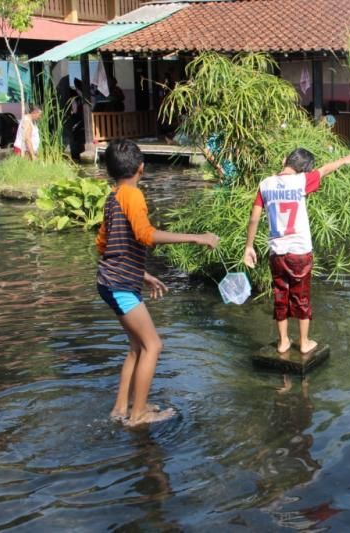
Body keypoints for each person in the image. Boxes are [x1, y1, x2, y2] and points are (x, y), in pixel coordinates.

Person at [95, 139, 219, 426]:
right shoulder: (133, 196)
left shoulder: (113, 197)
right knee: (154, 346)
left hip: (111, 281)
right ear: (141, 167)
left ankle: (121, 407)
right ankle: (137, 415)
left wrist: (143, 273)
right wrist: (196, 237)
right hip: (120, 285)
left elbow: (105, 245)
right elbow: (146, 235)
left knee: (137, 347)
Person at [243, 149, 350, 354]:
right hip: (300, 252)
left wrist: (249, 247)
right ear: (304, 168)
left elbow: (254, 218)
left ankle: (283, 342)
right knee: (301, 296)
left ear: (285, 160)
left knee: (281, 295)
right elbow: (325, 170)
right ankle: (304, 343)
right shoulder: (302, 181)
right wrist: (345, 160)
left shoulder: (265, 184)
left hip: (277, 252)